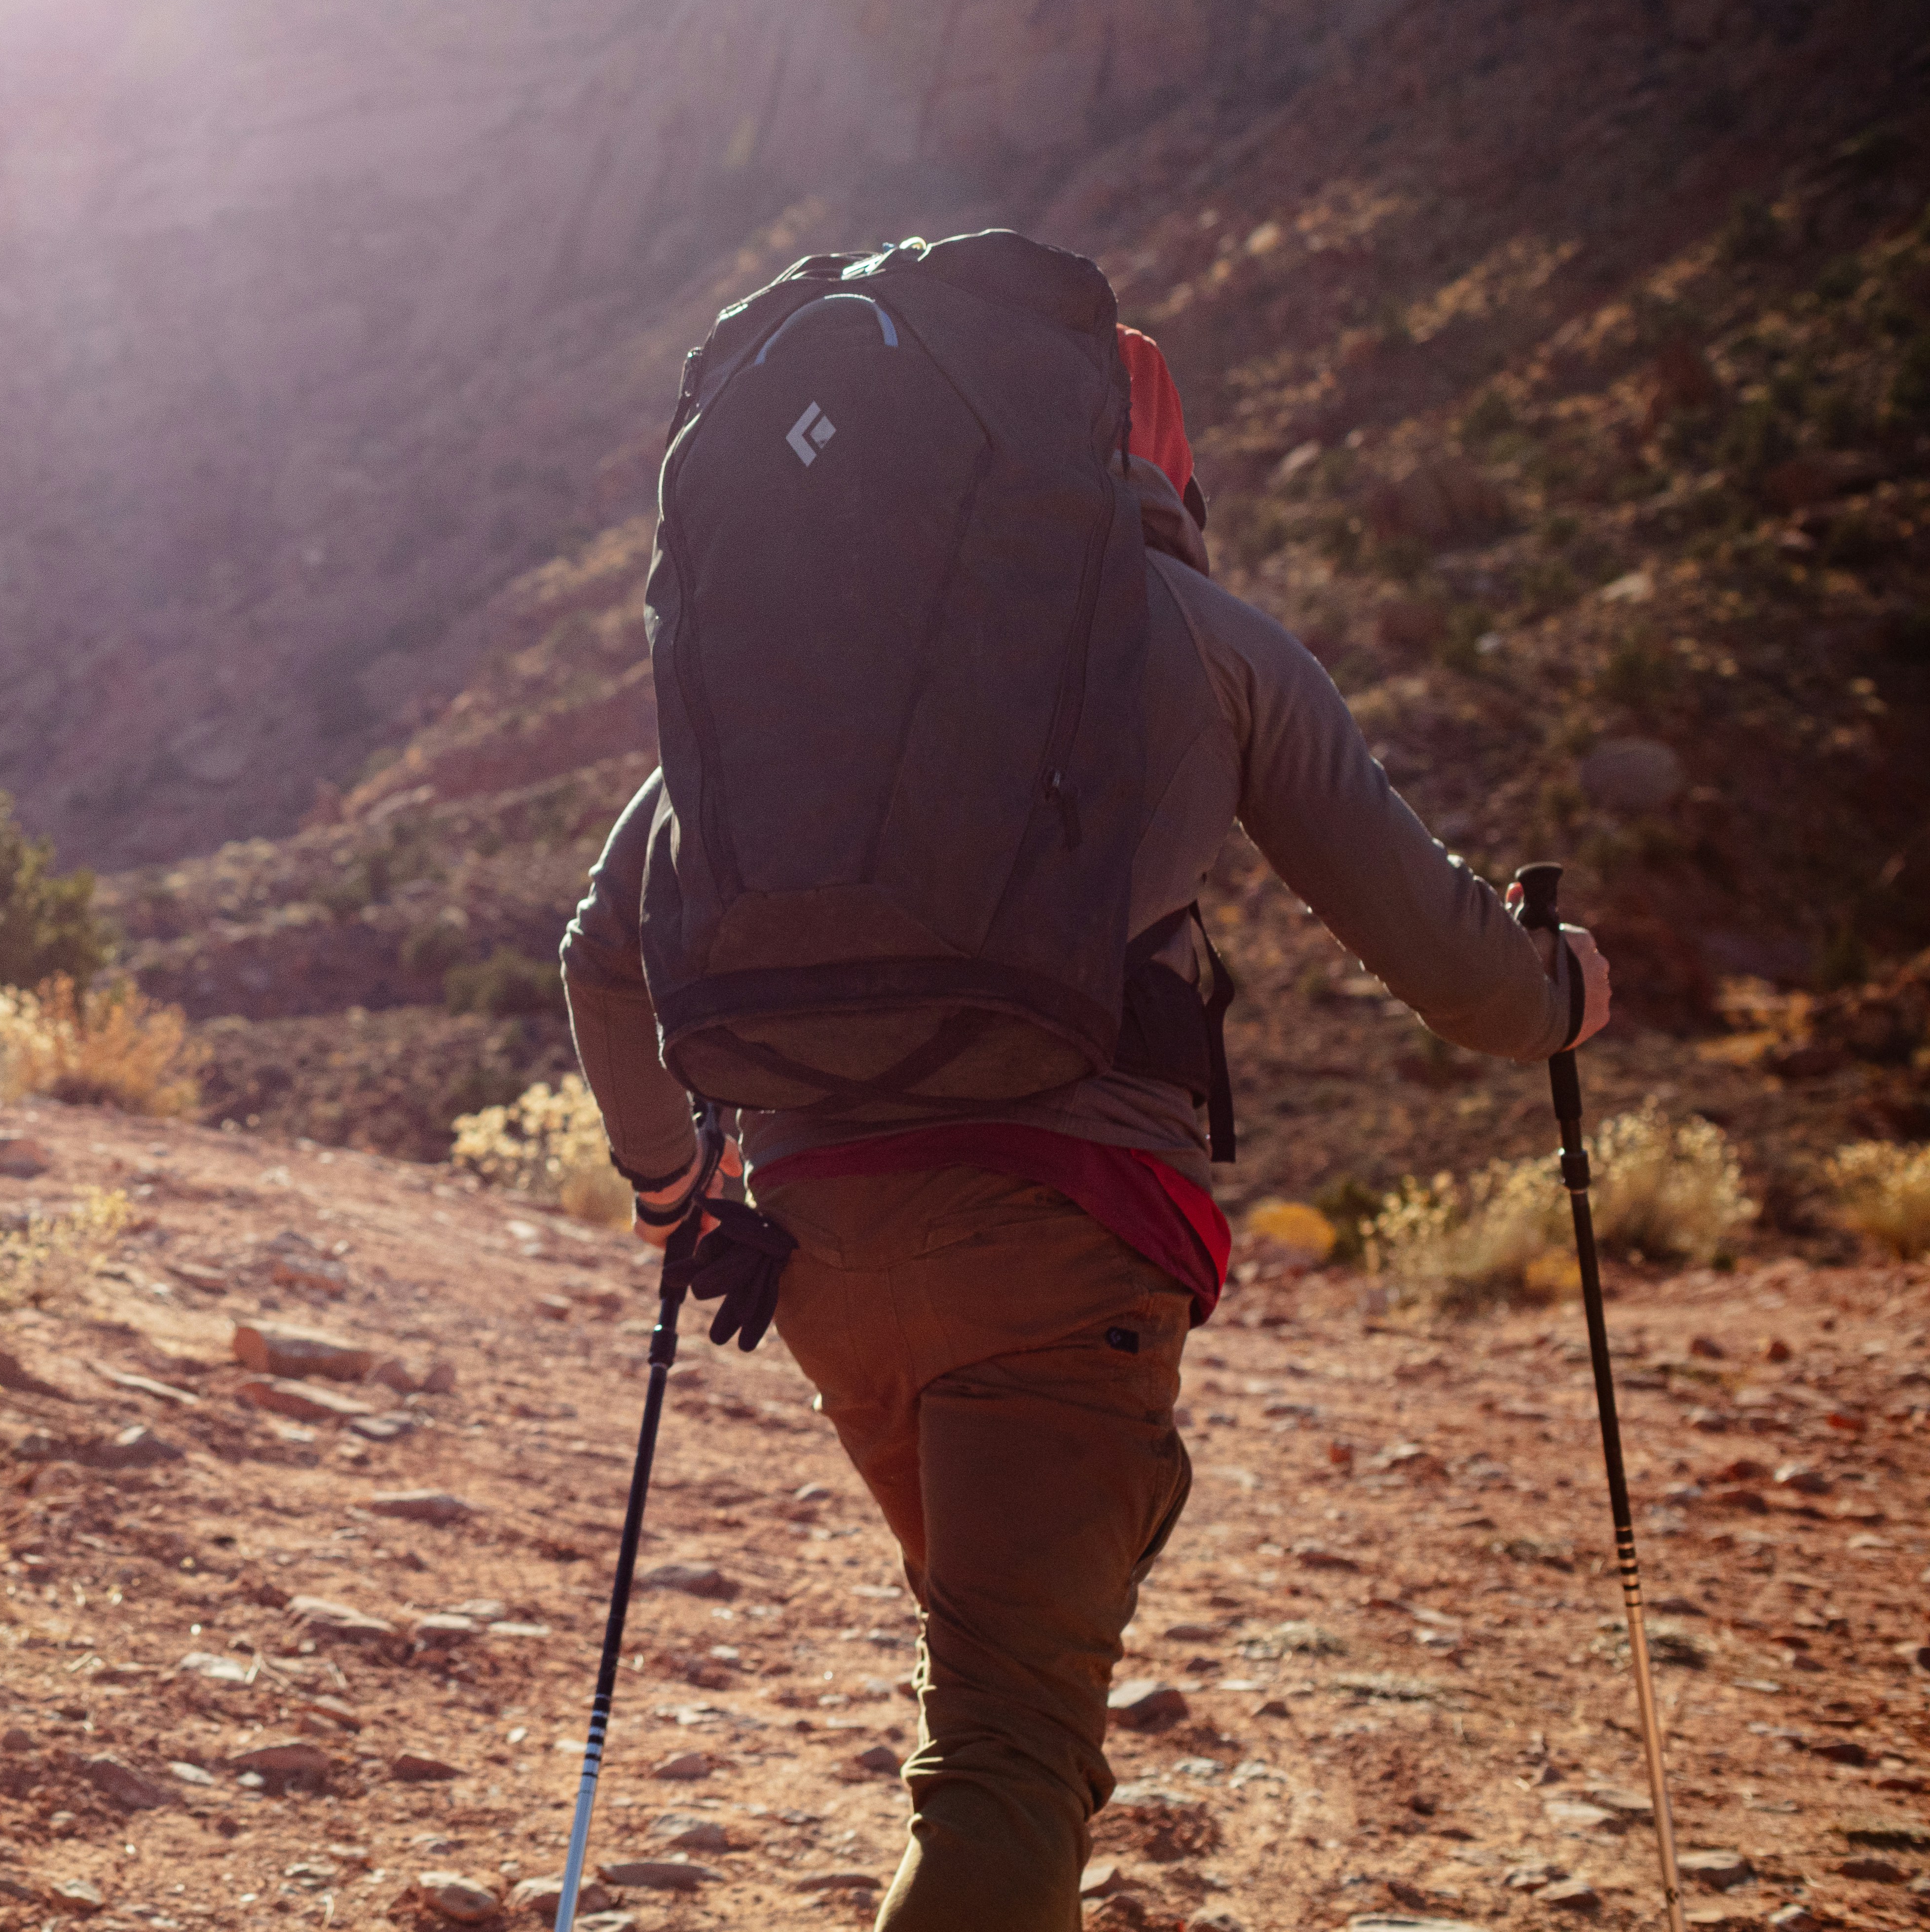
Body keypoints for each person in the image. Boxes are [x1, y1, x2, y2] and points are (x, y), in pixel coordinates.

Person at [559, 321, 1614, 1932]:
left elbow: (600, 950)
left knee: (993, 1681)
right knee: (1008, 1751)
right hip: (1067, 1242)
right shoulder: (1198, 634)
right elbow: (1461, 975)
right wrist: (1568, 991)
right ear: (1161, 462)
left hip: (818, 1244)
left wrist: (672, 1187)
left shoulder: (816, 650)